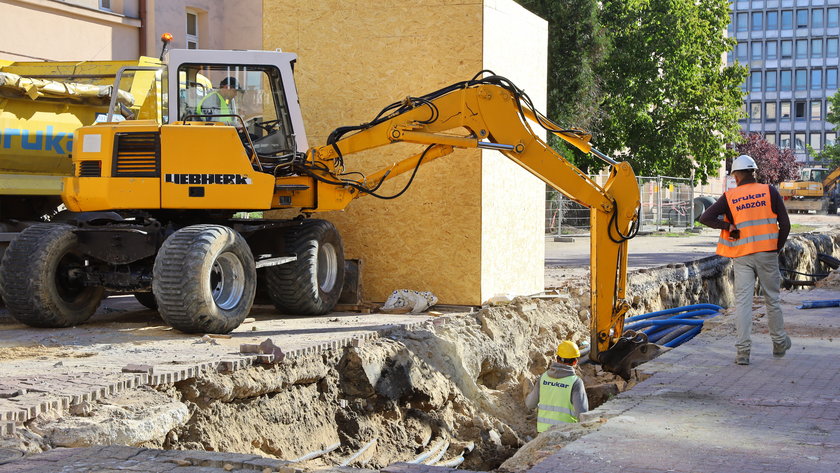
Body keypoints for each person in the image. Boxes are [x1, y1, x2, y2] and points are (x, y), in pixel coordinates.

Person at [698, 154, 792, 365]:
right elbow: (785, 225)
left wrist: (727, 226)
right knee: (772, 300)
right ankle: (779, 344)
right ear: (754, 172)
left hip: (742, 256)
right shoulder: (769, 191)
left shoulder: (731, 197)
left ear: (737, 175)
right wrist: (775, 249)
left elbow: (705, 218)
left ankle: (742, 353)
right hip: (767, 253)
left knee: (743, 303)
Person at [525, 340, 589, 432]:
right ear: (575, 362)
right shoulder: (575, 383)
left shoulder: (543, 378)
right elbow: (582, 414)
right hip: (565, 434)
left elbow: (530, 404)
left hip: (543, 433)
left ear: (557, 358)